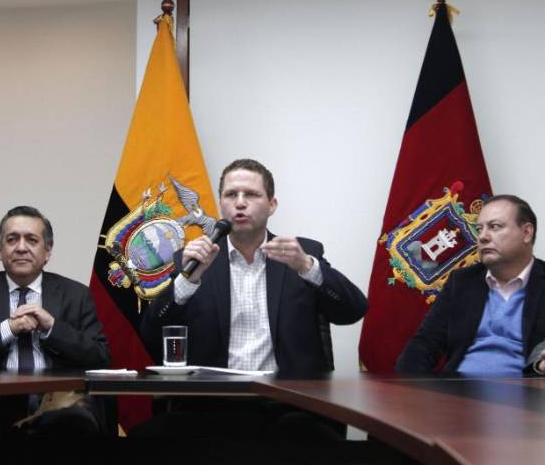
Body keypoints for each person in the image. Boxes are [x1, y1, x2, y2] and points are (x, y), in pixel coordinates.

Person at [133, 159, 368, 446]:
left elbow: (353, 310)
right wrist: (188, 281)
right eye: (231, 195)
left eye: (252, 194)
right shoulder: (195, 259)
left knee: (304, 439)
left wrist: (308, 267)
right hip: (211, 406)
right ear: (221, 203)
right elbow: (150, 335)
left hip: (288, 406)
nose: (240, 203)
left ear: (272, 205)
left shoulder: (300, 254)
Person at [0, 205, 113, 441]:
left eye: (32, 240)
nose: (21, 247)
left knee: (73, 423)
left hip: (58, 404)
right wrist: (8, 329)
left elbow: (101, 358)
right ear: (0, 251)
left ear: (47, 251)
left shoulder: (75, 294)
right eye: (12, 239)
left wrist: (52, 328)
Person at [396, 194, 545, 376]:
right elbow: (425, 344)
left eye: (495, 227)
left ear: (527, 233)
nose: (482, 237)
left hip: (523, 390)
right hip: (459, 389)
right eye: (479, 229)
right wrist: (410, 386)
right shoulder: (462, 282)